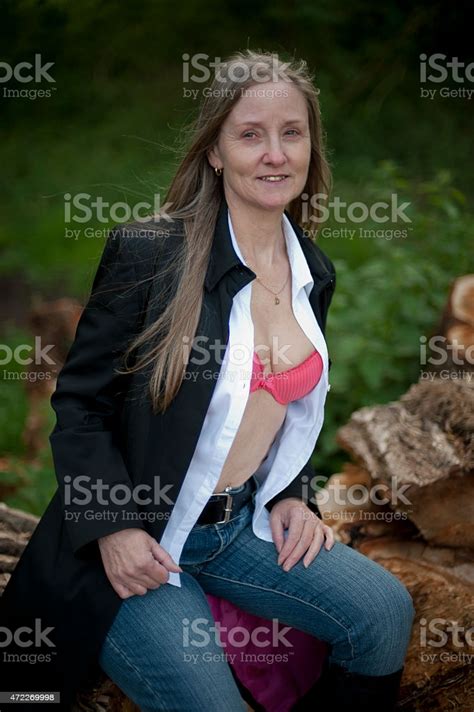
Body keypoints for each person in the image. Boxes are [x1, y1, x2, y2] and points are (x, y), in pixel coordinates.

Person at [0, 50, 415, 712]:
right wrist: (112, 528)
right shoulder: (151, 255)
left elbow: (286, 408)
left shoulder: (314, 270)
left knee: (385, 612)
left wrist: (290, 495)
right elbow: (80, 405)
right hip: (141, 547)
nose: (275, 154)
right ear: (216, 151)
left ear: (312, 145)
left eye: (293, 132)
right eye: (251, 134)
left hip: (237, 532)